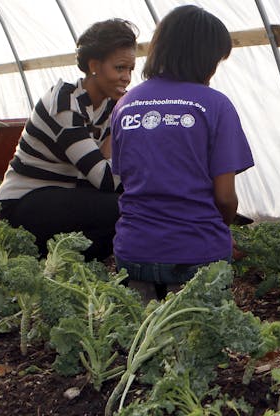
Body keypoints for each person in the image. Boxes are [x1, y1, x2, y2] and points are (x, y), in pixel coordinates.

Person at [110, 5, 254, 301]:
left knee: (143, 340)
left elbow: (128, 180)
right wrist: (220, 231)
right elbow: (225, 197)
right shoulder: (214, 105)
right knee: (196, 339)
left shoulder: (126, 104)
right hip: (197, 255)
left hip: (134, 252)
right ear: (204, 57)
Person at [0, 19, 138, 260]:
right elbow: (103, 178)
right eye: (120, 68)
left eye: (130, 69)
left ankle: (60, 264)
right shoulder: (64, 102)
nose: (127, 78)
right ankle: (45, 258)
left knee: (125, 213)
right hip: (23, 202)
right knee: (127, 207)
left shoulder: (111, 106)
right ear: (94, 65)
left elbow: (103, 170)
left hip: (64, 198)